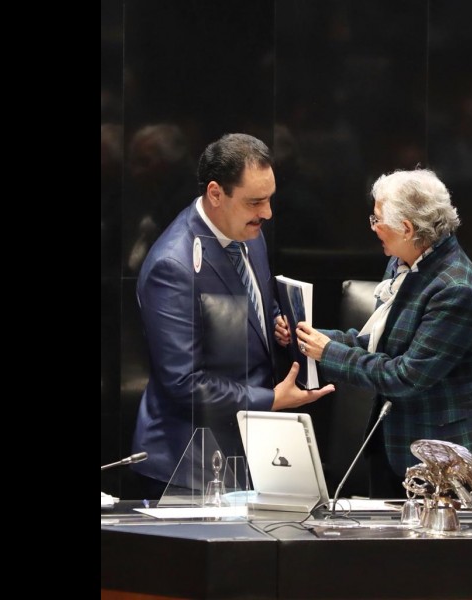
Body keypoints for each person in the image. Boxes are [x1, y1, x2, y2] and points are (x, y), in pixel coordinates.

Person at [131, 133, 335, 498]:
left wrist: (275, 324)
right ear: (215, 193)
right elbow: (184, 383)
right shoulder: (172, 265)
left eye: (269, 199)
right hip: (188, 464)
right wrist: (272, 399)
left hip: (248, 452)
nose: (267, 213)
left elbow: (255, 306)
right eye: (255, 202)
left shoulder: (248, 232)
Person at [295, 168, 472, 498]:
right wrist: (309, 338)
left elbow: (406, 376)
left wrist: (328, 352)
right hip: (395, 445)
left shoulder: (455, 289)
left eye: (377, 219)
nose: (373, 227)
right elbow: (379, 342)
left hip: (448, 461)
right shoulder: (404, 260)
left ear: (406, 228)